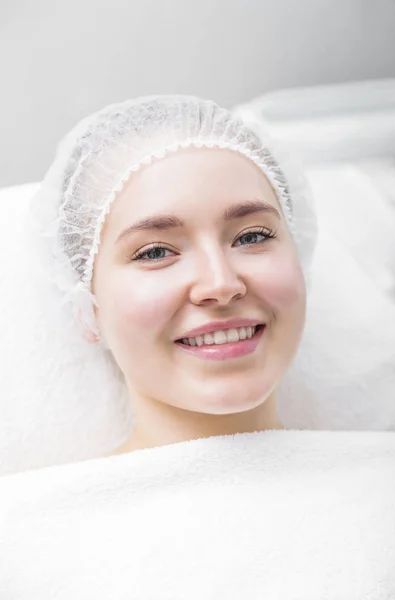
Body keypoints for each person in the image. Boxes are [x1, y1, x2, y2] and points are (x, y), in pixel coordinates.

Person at [30, 95, 314, 456]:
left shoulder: (380, 481)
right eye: (156, 252)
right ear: (86, 307)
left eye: (252, 236)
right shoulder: (46, 513)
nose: (221, 284)